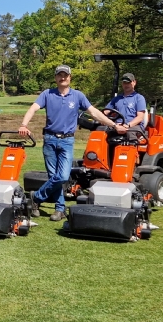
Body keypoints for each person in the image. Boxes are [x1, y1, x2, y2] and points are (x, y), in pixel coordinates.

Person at [18, 64, 118, 221]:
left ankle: (36, 197)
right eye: (59, 75)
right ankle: (60, 209)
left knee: (63, 177)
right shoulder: (47, 94)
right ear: (55, 77)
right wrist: (24, 125)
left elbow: (94, 112)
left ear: (70, 77)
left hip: (67, 140)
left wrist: (113, 125)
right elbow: (32, 109)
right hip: (49, 140)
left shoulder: (78, 96)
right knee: (54, 176)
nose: (62, 77)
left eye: (65, 75)